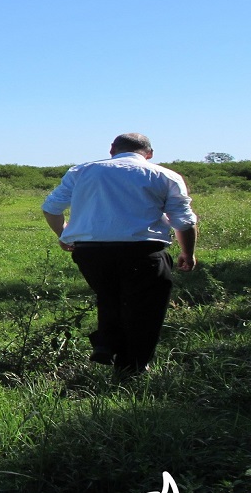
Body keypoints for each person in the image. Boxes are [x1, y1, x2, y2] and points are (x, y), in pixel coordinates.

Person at [42, 133, 198, 378]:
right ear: (150, 153)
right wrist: (187, 252)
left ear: (112, 149)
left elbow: (51, 208)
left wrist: (64, 234)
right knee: (145, 308)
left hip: (91, 252)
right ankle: (131, 367)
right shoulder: (165, 175)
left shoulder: (82, 171)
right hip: (143, 251)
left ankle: (107, 342)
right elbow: (184, 221)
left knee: (109, 295)